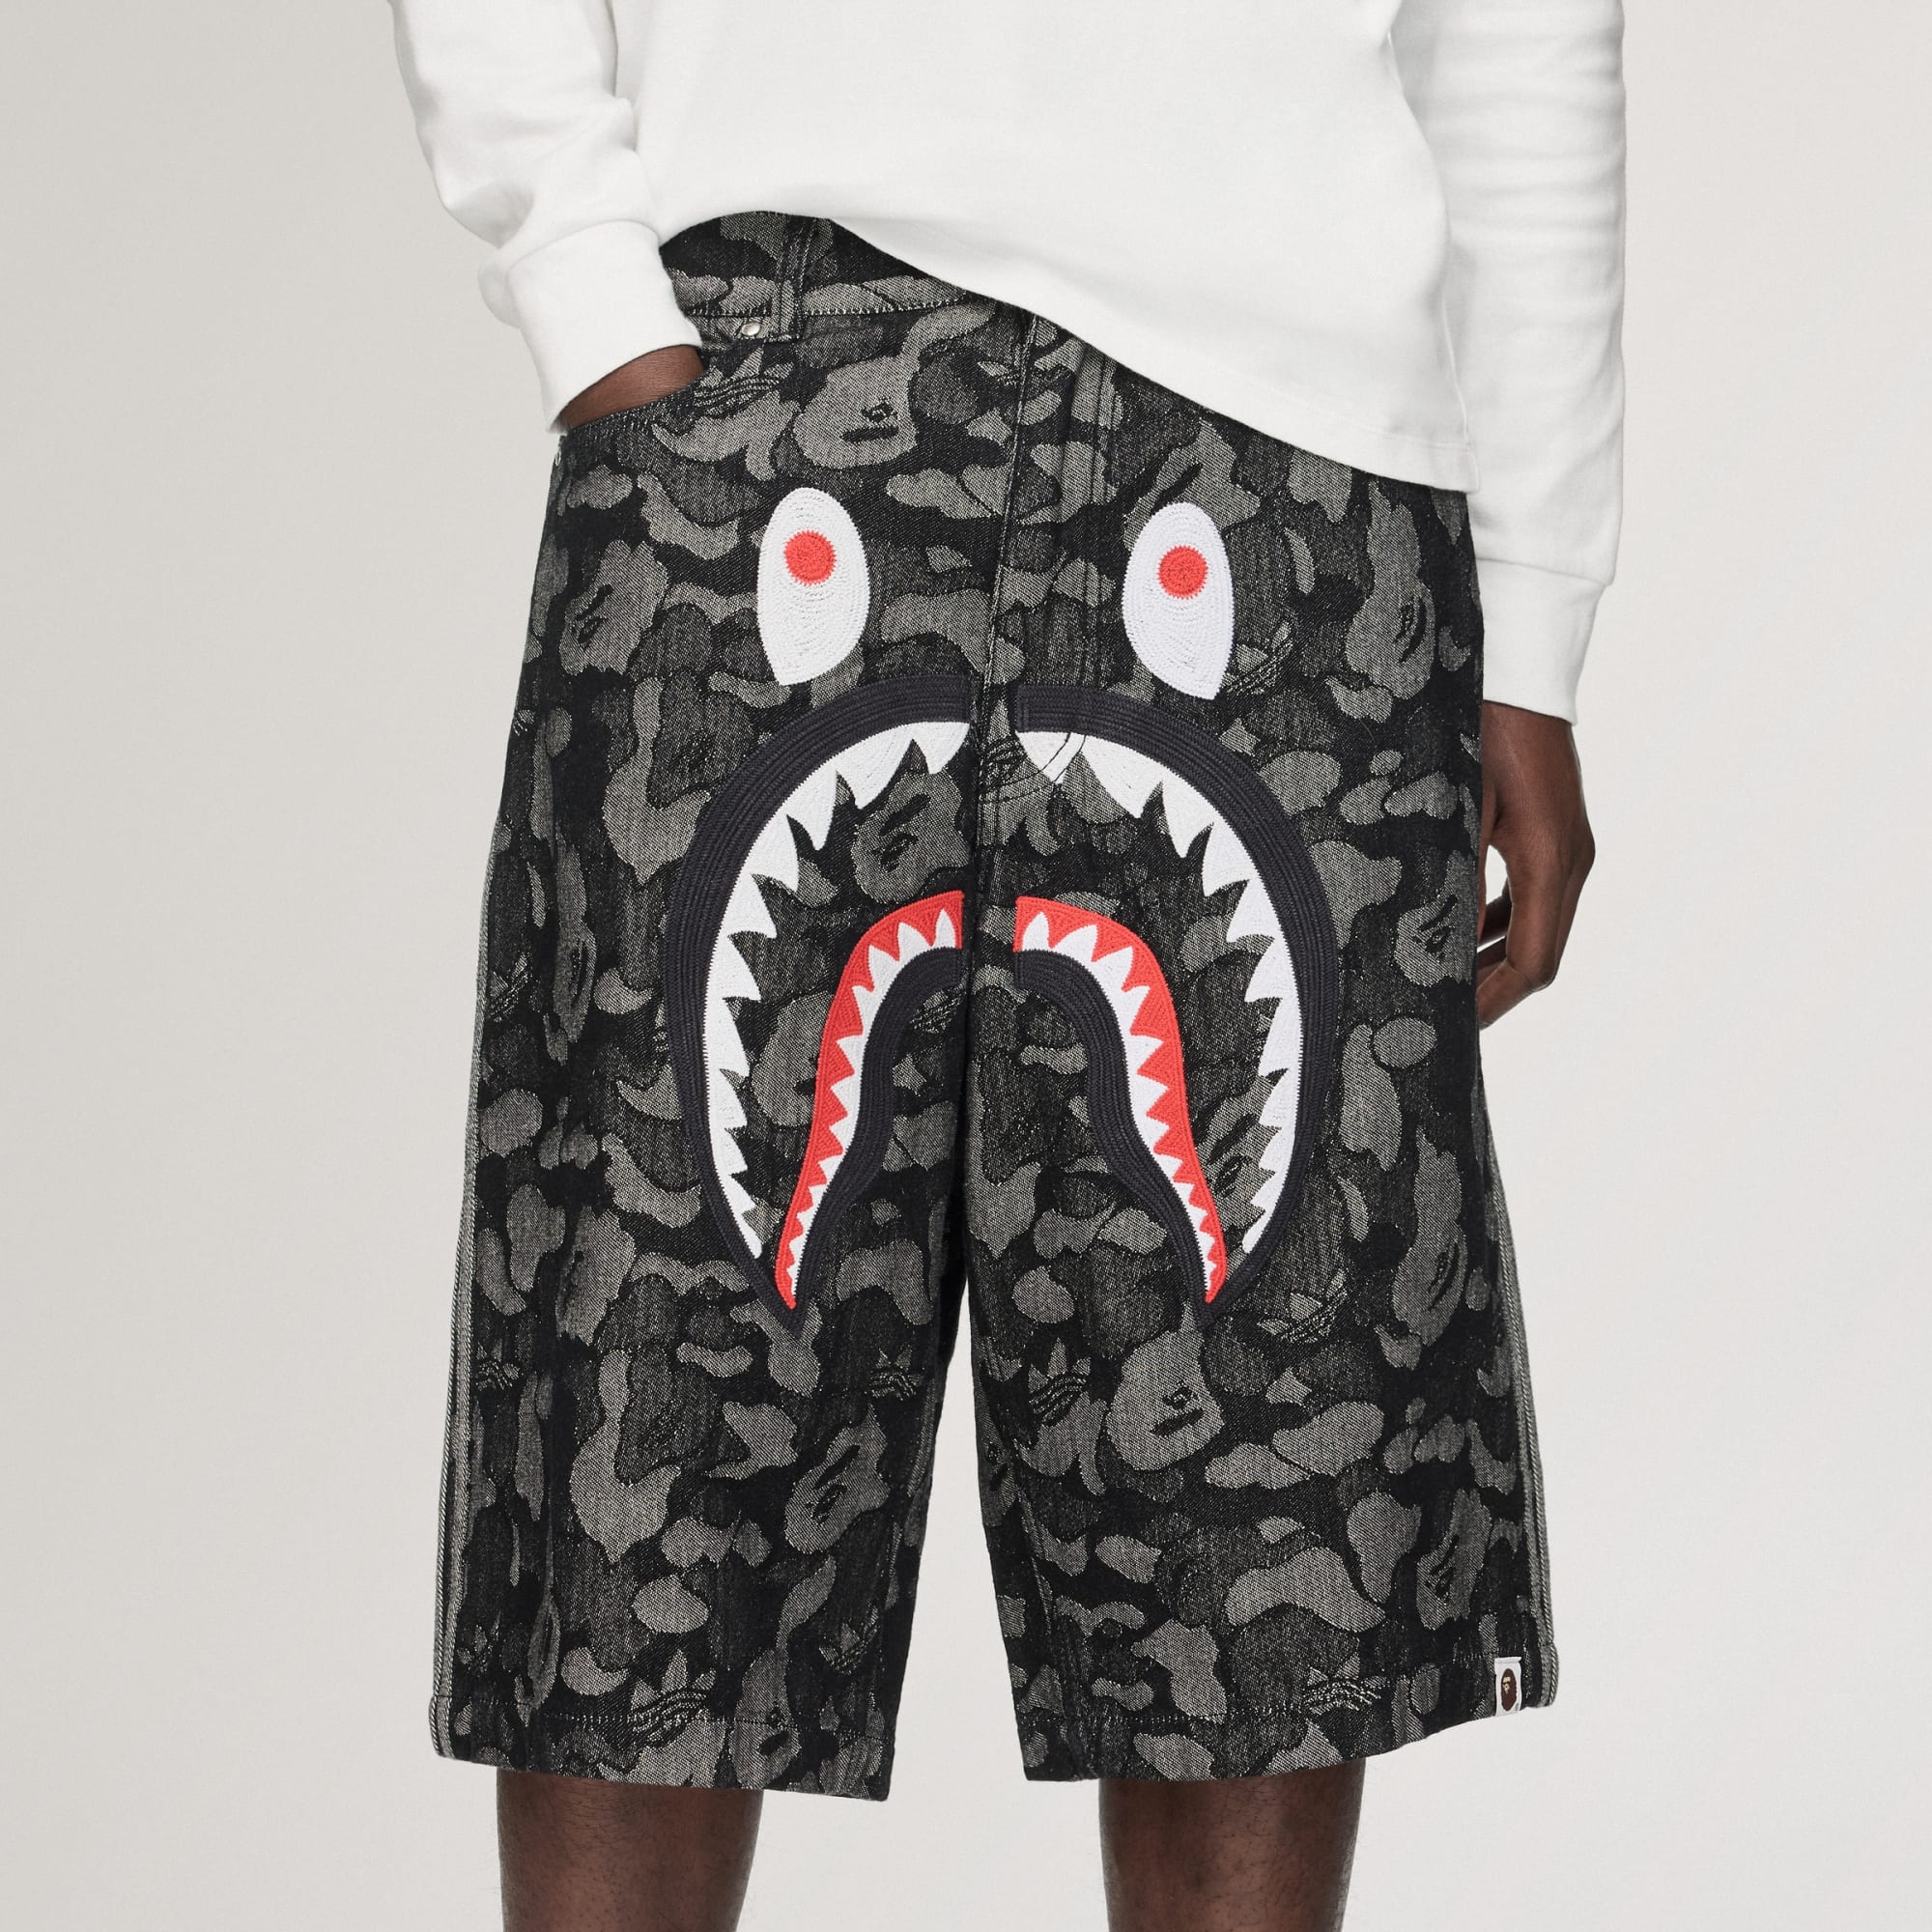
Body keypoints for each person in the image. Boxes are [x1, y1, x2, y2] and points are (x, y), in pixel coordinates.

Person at [389, 5, 1621, 1926]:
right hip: (762, 379)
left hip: (1283, 457)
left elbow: (1523, 32)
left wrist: (1531, 617)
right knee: (654, 1438)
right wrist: (581, 274)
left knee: (1253, 1502)